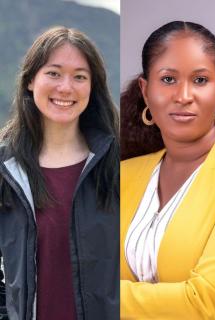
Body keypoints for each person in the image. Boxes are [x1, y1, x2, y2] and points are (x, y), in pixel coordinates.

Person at [120, 21, 215, 319]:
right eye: (168, 79)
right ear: (146, 91)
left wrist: (98, 294)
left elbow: (210, 304)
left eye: (200, 80)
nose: (184, 95)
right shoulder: (122, 175)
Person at [0, 26, 119, 319]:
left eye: (80, 76)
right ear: (30, 81)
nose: (66, 87)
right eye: (54, 73)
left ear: (93, 87)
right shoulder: (6, 167)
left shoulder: (119, 162)